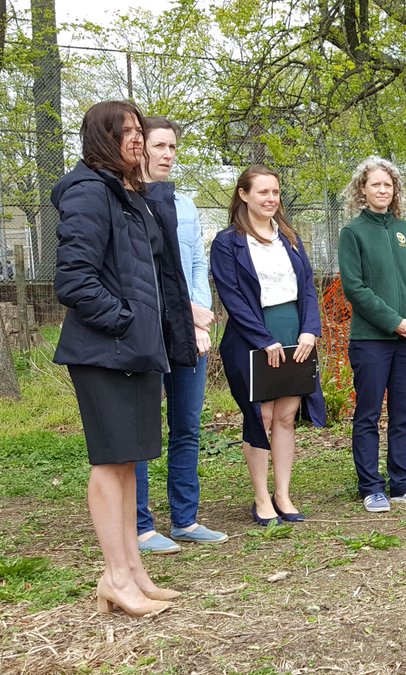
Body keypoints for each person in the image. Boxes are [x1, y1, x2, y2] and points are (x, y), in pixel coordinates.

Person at [53, 100, 197, 616]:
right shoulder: (89, 193)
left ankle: (134, 570)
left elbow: (154, 271)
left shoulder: (127, 193)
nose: (137, 139)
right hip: (103, 351)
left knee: (129, 464)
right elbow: (72, 280)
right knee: (109, 465)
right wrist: (124, 321)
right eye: (128, 132)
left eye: (140, 130)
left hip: (134, 349)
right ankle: (114, 577)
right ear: (102, 139)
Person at [210, 165, 326, 524]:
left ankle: (284, 494)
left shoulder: (289, 237)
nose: (271, 199)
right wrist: (264, 339)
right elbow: (232, 296)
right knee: (260, 416)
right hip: (251, 335)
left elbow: (307, 285)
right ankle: (261, 498)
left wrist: (309, 329)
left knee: (287, 416)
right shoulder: (227, 242)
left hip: (295, 332)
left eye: (275, 192)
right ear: (243, 195)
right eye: (263, 192)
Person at [134, 116, 228, 553]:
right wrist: (186, 313)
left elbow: (193, 266)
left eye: (173, 147)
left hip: (191, 332)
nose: (168, 155)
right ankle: (139, 526)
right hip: (148, 331)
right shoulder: (128, 201)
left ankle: (185, 520)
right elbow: (145, 275)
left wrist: (202, 316)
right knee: (141, 428)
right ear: (140, 147)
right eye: (160, 146)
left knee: (187, 426)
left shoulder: (186, 205)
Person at [338, 157, 406, 511]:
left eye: (388, 185)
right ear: (362, 190)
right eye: (375, 184)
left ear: (395, 191)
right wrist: (393, 320)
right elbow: (355, 287)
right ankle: (370, 487)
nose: (382, 190)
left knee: (403, 413)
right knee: (367, 414)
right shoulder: (353, 233)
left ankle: (402, 482)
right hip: (371, 340)